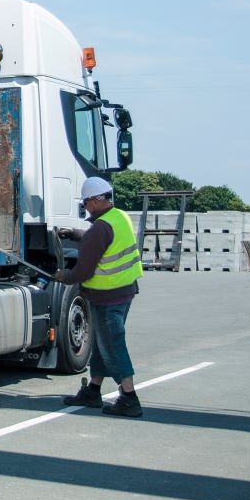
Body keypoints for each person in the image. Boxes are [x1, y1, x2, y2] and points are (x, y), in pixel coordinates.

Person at [60, 175, 146, 417]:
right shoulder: (119, 217)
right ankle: (93, 389)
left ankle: (129, 397)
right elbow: (104, 239)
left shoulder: (100, 228)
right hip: (124, 291)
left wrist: (62, 276)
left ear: (97, 200)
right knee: (102, 343)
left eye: (86, 202)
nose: (85, 206)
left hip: (107, 296)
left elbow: (83, 270)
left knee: (112, 345)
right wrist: (77, 233)